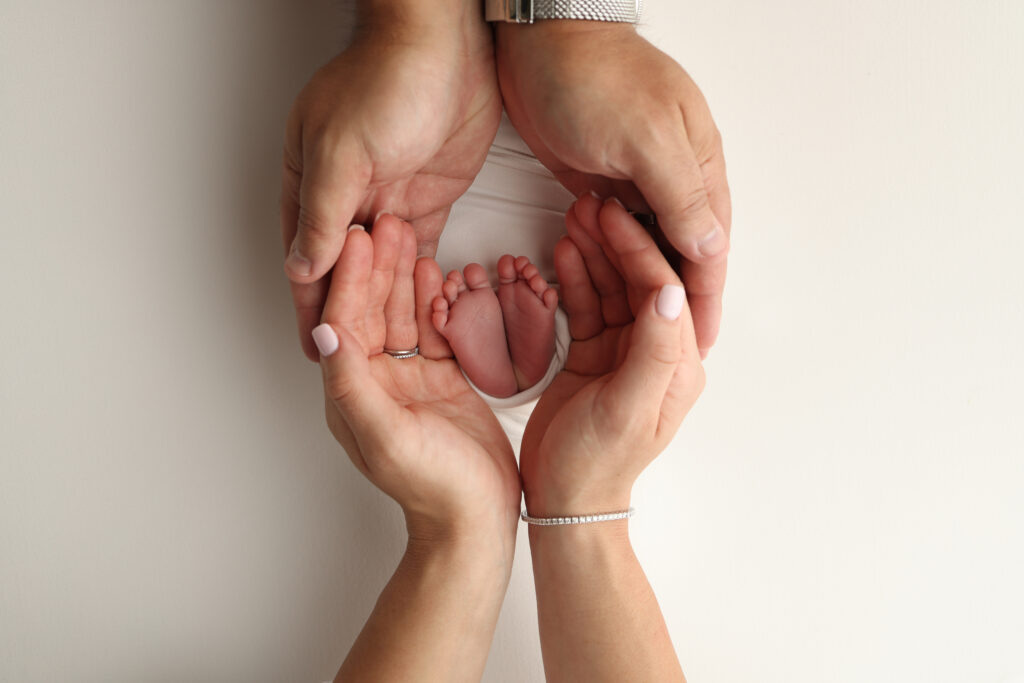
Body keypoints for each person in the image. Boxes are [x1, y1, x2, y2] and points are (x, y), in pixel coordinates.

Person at [311, 198, 704, 681]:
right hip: (561, 311)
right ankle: (522, 377)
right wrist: (582, 498)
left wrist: (462, 524)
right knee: (560, 285)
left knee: (425, 259)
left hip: (455, 316)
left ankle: (519, 376)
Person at [281, 0, 731, 364]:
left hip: (437, 202)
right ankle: (519, 376)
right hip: (536, 200)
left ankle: (518, 377)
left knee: (401, 332)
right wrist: (576, 26)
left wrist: (411, 28)